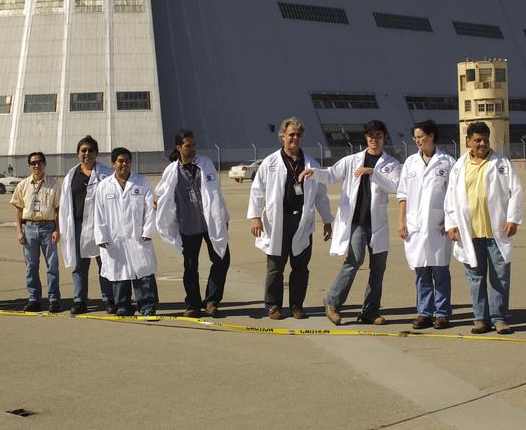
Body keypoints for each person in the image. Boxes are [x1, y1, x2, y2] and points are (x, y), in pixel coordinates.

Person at [307, 119, 401, 326]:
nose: (374, 139)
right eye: (370, 135)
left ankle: (370, 311)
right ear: (366, 138)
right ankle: (332, 301)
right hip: (357, 222)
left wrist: (373, 172)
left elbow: (395, 186)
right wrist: (314, 173)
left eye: (378, 135)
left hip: (377, 224)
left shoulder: (391, 164)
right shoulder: (352, 160)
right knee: (355, 260)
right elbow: (331, 176)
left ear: (384, 137)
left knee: (378, 268)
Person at [248, 118, 333, 320]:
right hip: (278, 222)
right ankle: (273, 306)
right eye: (291, 134)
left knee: (301, 268)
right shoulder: (270, 163)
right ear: (282, 136)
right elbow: (257, 191)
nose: (295, 138)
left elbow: (321, 195)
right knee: (275, 268)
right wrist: (255, 217)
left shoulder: (311, 164)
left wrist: (328, 221)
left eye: (298, 134)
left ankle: (297, 306)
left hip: (302, 222)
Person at [444, 122, 523, 334]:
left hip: (496, 231)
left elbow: (515, 191)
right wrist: (451, 224)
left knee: (500, 277)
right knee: (475, 278)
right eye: (477, 140)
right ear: (468, 141)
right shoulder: (459, 167)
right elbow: (451, 197)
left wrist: (513, 219)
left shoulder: (502, 163)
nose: (482, 144)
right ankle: (480, 318)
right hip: (470, 233)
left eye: (485, 140)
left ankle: (499, 318)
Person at [155, 130, 231, 318]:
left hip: (210, 223)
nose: (192, 149)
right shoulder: (172, 170)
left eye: (194, 145)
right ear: (179, 147)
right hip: (188, 225)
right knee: (190, 266)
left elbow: (215, 193)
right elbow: (162, 192)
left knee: (222, 260)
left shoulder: (205, 164)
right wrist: (159, 203)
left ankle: (212, 300)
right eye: (188, 145)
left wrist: (222, 217)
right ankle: (193, 304)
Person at [397, 119, 454, 329]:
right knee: (421, 271)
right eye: (416, 138)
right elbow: (402, 194)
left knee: (440, 271)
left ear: (431, 136)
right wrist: (401, 221)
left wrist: (450, 219)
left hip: (438, 225)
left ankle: (442, 313)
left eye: (421, 137)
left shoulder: (447, 162)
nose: (418, 141)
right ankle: (424, 312)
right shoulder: (410, 162)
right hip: (415, 224)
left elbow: (455, 194)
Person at [92, 148, 159, 316]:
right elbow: (98, 213)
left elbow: (150, 209)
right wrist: (101, 236)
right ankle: (123, 305)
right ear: (113, 164)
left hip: (138, 237)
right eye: (120, 161)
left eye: (127, 161)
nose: (124, 164)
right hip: (115, 238)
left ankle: (147, 306)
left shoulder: (141, 182)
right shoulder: (104, 186)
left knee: (143, 272)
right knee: (119, 272)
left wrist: (147, 231)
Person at [59, 136, 113, 315]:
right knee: (79, 266)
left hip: (101, 226)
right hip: (78, 226)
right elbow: (65, 203)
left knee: (105, 263)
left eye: (90, 150)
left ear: (96, 153)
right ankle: (79, 300)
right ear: (77, 153)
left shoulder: (106, 174)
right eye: (83, 150)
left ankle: (109, 299)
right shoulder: (71, 175)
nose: (87, 154)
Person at [11, 151, 62, 313]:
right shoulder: (23, 185)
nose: (36, 165)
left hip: (48, 228)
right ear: (29, 166)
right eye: (33, 163)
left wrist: (57, 230)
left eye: (39, 162)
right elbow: (19, 210)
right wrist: (19, 231)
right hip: (30, 229)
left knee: (52, 266)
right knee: (31, 266)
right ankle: (34, 298)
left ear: (45, 164)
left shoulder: (53, 184)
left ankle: (54, 298)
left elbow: (59, 209)